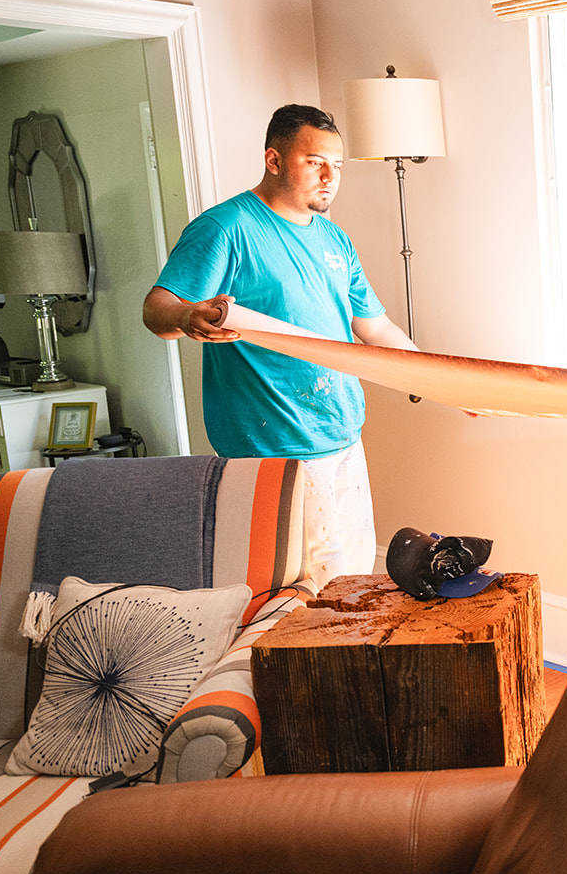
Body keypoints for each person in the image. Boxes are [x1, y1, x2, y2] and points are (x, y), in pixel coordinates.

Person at [143, 104, 417, 583]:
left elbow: (376, 329)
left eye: (338, 164)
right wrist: (189, 316)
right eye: (314, 161)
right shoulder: (225, 228)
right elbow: (157, 310)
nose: (330, 176)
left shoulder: (335, 240)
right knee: (305, 592)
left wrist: (451, 382)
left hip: (343, 438)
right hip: (274, 446)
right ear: (273, 160)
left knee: (352, 580)